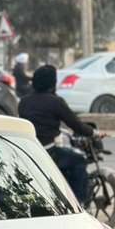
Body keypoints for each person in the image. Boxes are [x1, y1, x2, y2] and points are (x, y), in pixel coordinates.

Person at [19, 64, 94, 203]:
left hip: (29, 151)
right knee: (79, 160)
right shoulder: (55, 102)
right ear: (52, 82)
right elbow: (75, 124)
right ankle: (79, 203)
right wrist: (92, 132)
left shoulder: (24, 101)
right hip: (48, 151)